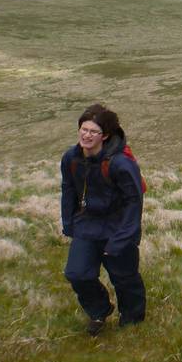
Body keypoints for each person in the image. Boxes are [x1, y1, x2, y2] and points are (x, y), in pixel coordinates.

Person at [60, 104, 146, 335]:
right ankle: (99, 310)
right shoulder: (71, 158)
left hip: (118, 226)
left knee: (125, 277)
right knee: (77, 273)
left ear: (105, 135)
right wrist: (68, 223)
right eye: (83, 129)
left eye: (93, 131)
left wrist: (123, 237)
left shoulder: (120, 164)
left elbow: (133, 202)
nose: (86, 135)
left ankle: (132, 321)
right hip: (87, 225)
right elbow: (68, 189)